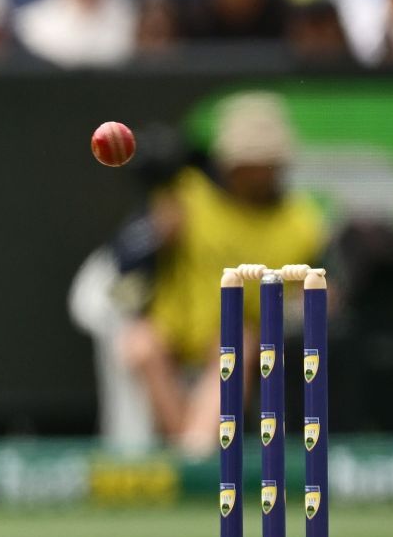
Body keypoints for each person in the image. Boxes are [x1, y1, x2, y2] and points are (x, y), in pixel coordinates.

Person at [118, 93, 327, 454]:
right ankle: (191, 455)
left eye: (259, 163)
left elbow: (320, 287)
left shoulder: (301, 221)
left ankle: (191, 457)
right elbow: (123, 261)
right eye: (242, 162)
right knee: (140, 345)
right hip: (173, 327)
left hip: (241, 335)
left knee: (235, 345)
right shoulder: (185, 196)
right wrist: (158, 235)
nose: (247, 172)